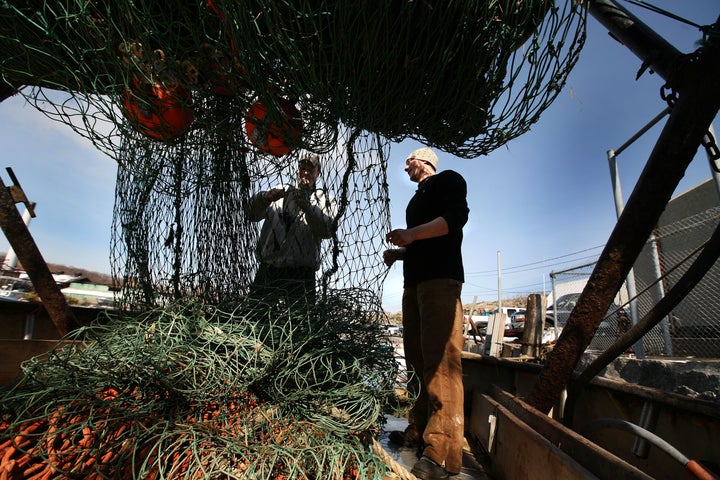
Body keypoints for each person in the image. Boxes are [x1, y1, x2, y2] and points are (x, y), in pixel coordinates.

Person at [384, 147, 469, 480]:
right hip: (414, 286)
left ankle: (442, 454)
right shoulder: (415, 200)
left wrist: (412, 234)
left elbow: (452, 222)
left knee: (441, 365)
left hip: (440, 282)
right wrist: (401, 252)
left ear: (425, 162)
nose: (405, 166)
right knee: (417, 361)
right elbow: (421, 243)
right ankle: (418, 430)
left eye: (409, 160)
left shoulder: (448, 180)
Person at [247, 153, 337, 304]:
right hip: (269, 269)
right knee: (257, 317)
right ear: (297, 170)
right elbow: (251, 214)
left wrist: (307, 208)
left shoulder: (324, 199)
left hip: (302, 275)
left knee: (299, 324)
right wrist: (265, 197)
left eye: (311, 168)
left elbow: (327, 231)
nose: (306, 172)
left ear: (318, 173)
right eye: (303, 167)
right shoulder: (279, 190)